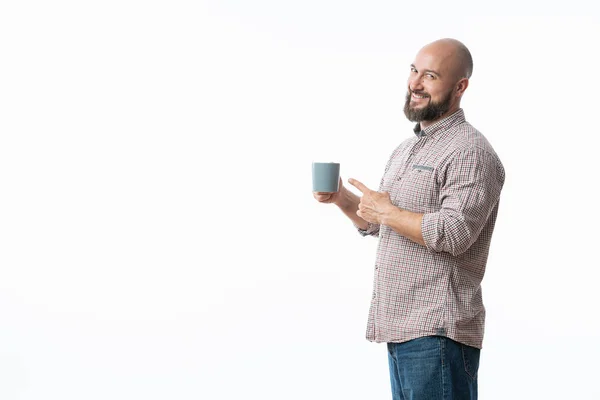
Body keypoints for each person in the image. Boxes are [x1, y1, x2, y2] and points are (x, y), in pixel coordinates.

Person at [313, 38, 505, 400]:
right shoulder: (407, 149)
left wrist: (389, 211)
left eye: (430, 76)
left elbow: (454, 233)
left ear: (460, 86)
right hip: (401, 326)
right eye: (414, 70)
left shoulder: (470, 151)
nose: (415, 83)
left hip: (438, 331)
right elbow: (381, 222)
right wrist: (341, 198)